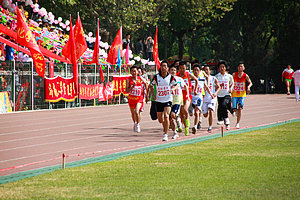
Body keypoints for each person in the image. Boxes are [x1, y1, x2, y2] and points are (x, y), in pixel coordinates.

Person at [149, 60, 177, 141]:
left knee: (166, 116)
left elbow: (176, 85)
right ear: (160, 67)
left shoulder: (171, 77)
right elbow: (151, 86)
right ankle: (167, 126)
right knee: (160, 120)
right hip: (159, 100)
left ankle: (165, 134)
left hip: (168, 99)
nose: (163, 68)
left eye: (165, 66)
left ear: (167, 68)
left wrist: (172, 89)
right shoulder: (156, 77)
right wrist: (153, 95)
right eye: (162, 66)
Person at [177, 61, 199, 136]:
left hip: (187, 95)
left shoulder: (188, 74)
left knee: (185, 110)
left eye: (183, 68)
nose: (182, 70)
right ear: (179, 69)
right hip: (180, 96)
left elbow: (196, 80)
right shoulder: (177, 76)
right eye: (181, 68)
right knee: (181, 113)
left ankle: (187, 124)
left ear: (185, 68)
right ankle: (185, 126)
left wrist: (195, 89)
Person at [189, 64, 212, 134]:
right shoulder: (190, 79)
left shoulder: (202, 79)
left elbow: (207, 87)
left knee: (197, 112)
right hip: (191, 98)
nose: (196, 71)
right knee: (190, 113)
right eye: (195, 70)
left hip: (199, 97)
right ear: (193, 71)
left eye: (197, 70)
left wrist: (211, 94)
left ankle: (195, 126)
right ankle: (191, 112)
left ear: (200, 71)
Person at [126, 66, 148, 133]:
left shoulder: (140, 78)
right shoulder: (128, 80)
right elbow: (126, 90)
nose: (134, 72)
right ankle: (135, 123)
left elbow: (146, 83)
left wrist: (146, 93)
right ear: (130, 72)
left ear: (137, 72)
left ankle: (138, 124)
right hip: (131, 99)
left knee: (136, 111)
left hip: (139, 99)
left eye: (135, 71)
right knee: (133, 113)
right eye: (132, 71)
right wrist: (132, 86)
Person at [231, 62, 253, 129]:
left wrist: (248, 87)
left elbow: (250, 83)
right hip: (234, 94)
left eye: (241, 66)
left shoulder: (245, 75)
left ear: (244, 68)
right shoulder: (234, 74)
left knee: (240, 107)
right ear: (237, 68)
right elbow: (230, 81)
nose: (240, 68)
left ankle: (237, 123)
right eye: (239, 66)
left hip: (242, 94)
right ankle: (235, 110)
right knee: (234, 109)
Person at [169, 64, 187, 139]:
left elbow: (185, 86)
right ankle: (175, 132)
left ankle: (178, 122)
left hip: (177, 99)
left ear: (176, 71)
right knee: (170, 118)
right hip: (169, 100)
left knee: (173, 115)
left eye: (174, 70)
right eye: (171, 70)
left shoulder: (179, 79)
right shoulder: (166, 79)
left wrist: (188, 95)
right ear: (169, 71)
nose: (173, 71)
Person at [215, 61, 234, 130]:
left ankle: (226, 121)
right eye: (220, 67)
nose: (222, 68)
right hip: (219, 95)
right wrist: (219, 86)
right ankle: (222, 118)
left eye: (223, 67)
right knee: (222, 106)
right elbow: (215, 87)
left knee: (223, 105)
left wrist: (231, 88)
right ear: (218, 68)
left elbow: (232, 83)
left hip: (227, 94)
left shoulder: (229, 76)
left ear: (225, 68)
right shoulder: (216, 77)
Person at [203, 65, 220, 132]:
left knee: (211, 110)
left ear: (210, 71)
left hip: (212, 98)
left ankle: (210, 126)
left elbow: (219, 87)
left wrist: (215, 93)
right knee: (205, 115)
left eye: (207, 70)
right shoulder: (201, 78)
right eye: (205, 70)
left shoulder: (213, 78)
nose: (206, 71)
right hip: (204, 98)